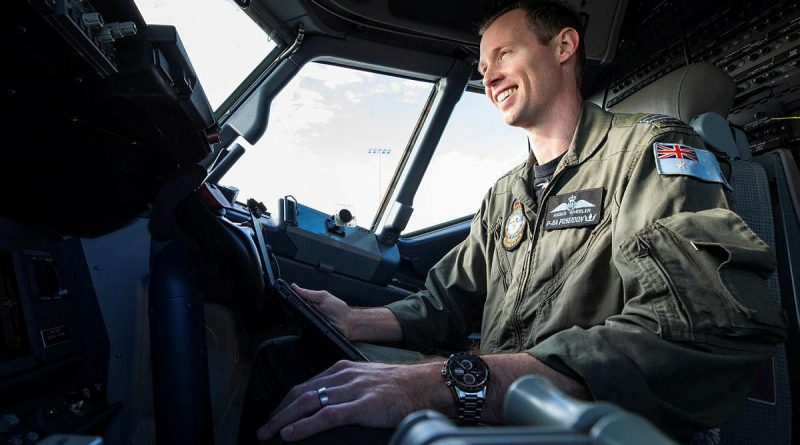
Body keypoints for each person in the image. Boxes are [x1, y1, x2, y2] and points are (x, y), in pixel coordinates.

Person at [242, 1, 787, 443]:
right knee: (285, 363)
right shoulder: (506, 193)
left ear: (564, 46)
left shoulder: (646, 153)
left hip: (575, 424)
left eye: (504, 53)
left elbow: (703, 328)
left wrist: (451, 382)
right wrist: (352, 320)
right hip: (492, 401)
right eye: (482, 67)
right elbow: (444, 304)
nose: (489, 75)